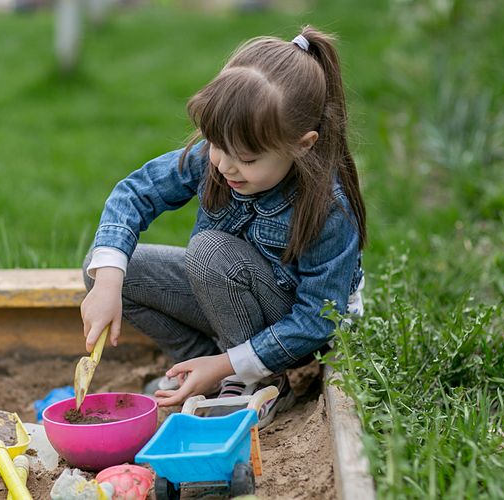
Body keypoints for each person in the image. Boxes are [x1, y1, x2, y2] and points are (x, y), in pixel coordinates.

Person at [80, 25, 366, 428]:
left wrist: (236, 362)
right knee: (104, 265)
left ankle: (259, 381)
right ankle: (203, 369)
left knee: (211, 251)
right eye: (217, 146)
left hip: (291, 333)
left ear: (302, 145)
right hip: (227, 297)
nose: (226, 165)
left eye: (247, 159)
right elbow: (135, 193)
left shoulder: (327, 207)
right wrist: (108, 280)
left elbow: (317, 320)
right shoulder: (218, 157)